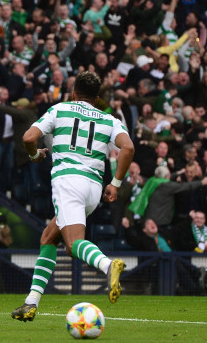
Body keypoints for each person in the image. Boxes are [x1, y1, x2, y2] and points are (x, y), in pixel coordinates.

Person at [12, 71, 135, 322]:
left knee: (72, 245)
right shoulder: (109, 119)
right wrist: (116, 183)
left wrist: (35, 156)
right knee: (49, 237)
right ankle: (31, 302)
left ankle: (107, 265)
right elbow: (129, 147)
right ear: (97, 98)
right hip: (94, 188)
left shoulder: (60, 110)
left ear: (74, 93)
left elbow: (28, 138)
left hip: (68, 181)